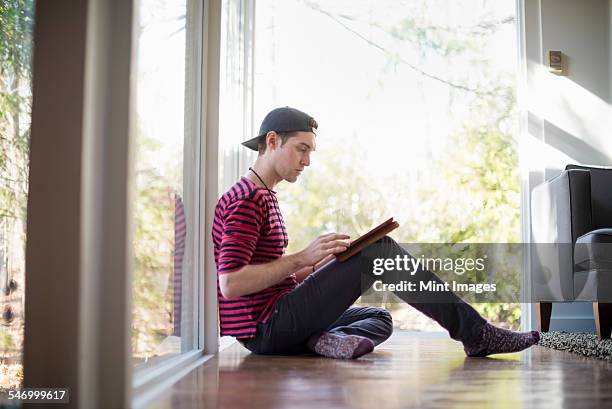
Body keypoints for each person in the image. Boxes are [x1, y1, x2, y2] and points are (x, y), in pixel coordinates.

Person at [212, 106, 540, 359]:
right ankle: (476, 334)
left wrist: (319, 266)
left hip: (277, 318)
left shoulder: (262, 195)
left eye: (310, 151)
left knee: (379, 317)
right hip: (267, 327)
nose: (307, 161)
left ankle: (318, 341)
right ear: (272, 141)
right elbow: (232, 283)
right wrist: (301, 257)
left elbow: (268, 277)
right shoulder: (246, 200)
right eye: (302, 149)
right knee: (380, 251)